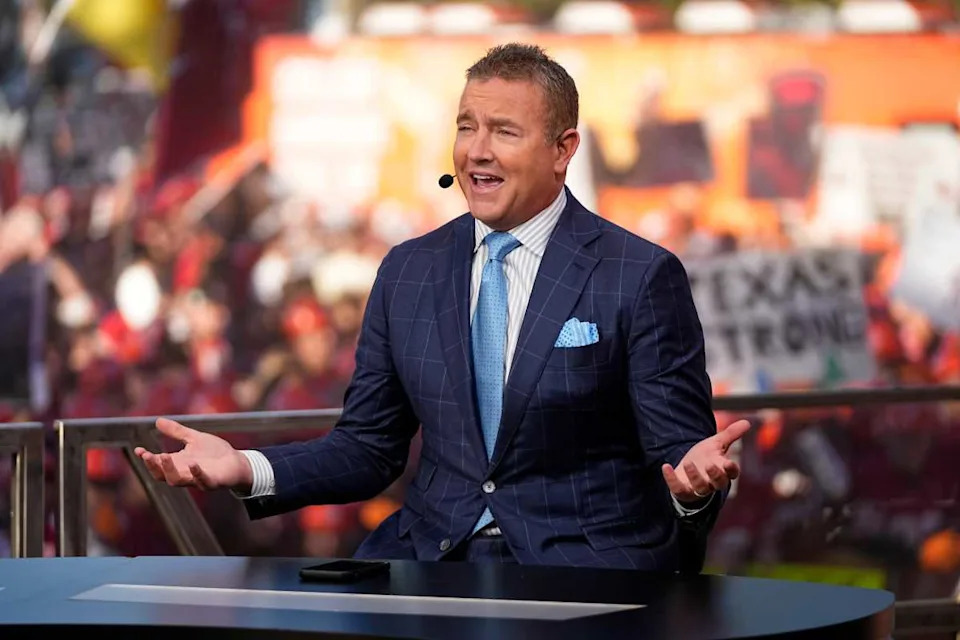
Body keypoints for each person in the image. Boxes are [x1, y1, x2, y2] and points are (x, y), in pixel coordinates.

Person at [135, 43, 749, 571]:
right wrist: (244, 467)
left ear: (564, 149)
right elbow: (368, 449)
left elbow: (683, 456)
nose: (476, 151)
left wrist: (693, 489)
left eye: (504, 131)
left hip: (583, 570)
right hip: (429, 559)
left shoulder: (638, 275)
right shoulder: (408, 269)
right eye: (465, 126)